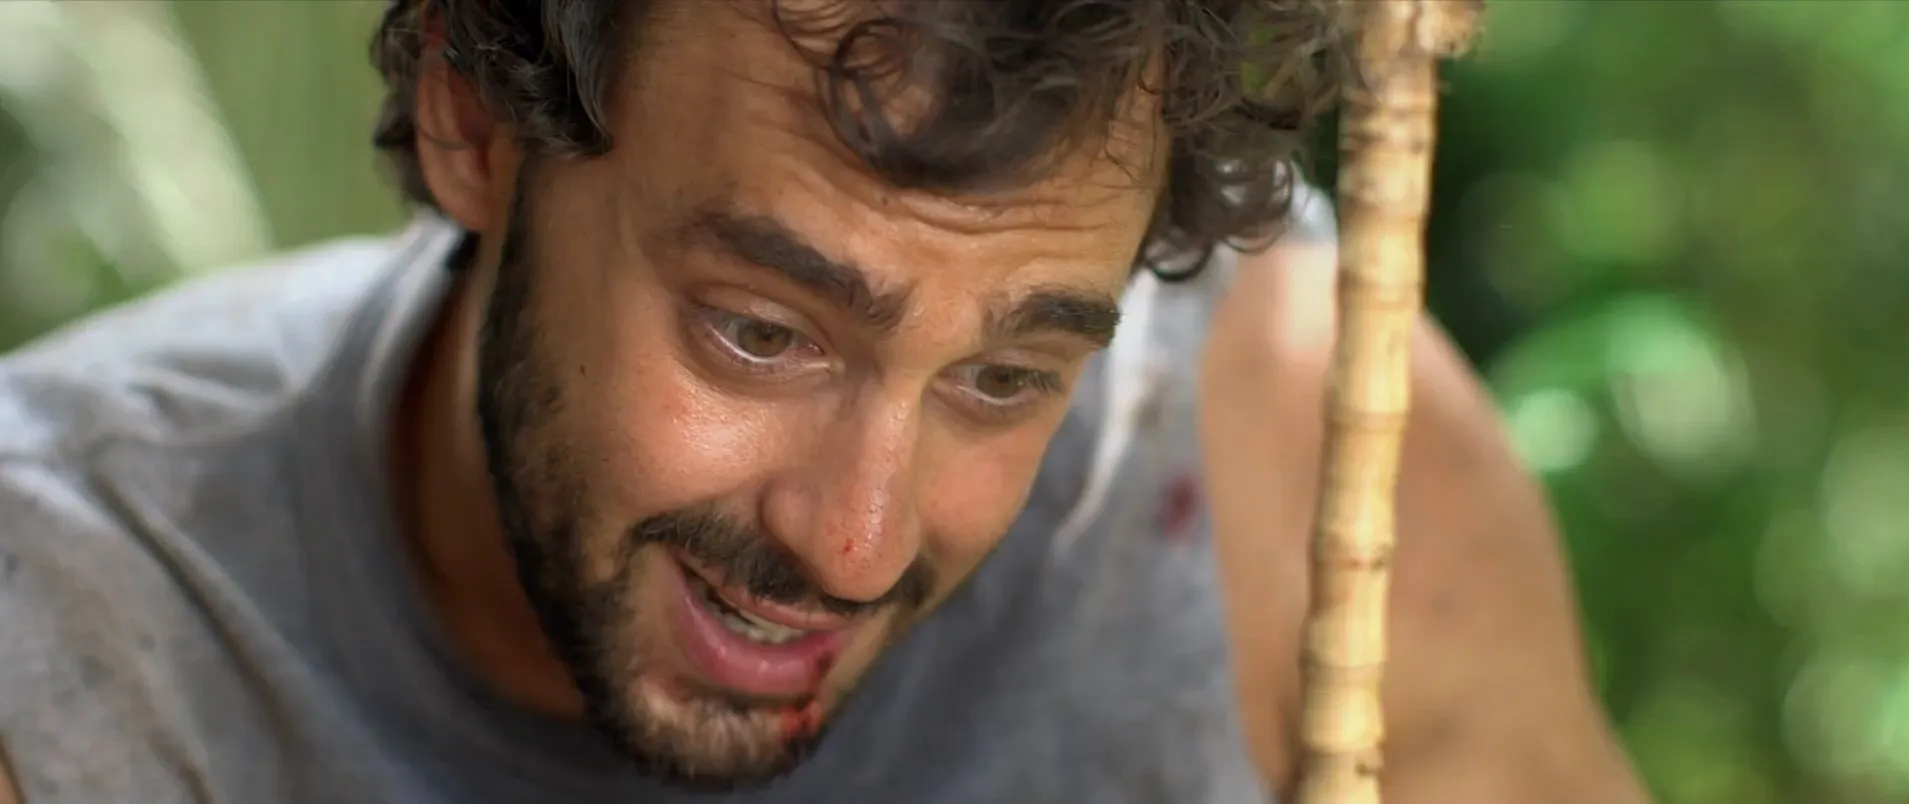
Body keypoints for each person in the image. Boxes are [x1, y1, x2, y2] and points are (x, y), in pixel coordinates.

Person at [0, 1, 1649, 802]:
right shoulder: (67, 637)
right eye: (760, 333)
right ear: (477, 124)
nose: (855, 545)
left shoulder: (1301, 475)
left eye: (1005, 379)